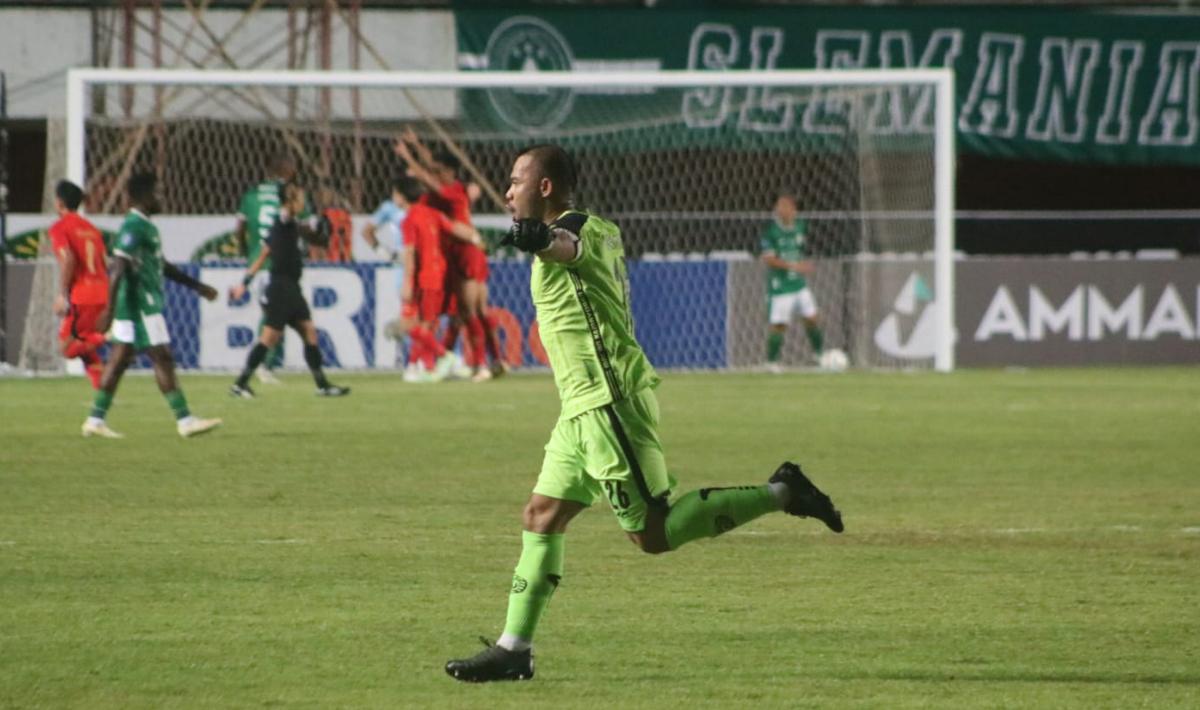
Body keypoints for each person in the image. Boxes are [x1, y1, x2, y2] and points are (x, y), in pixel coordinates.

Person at [444, 146, 844, 683]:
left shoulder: (575, 232)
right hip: (580, 409)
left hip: (608, 404)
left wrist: (539, 239)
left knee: (652, 534)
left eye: (516, 180)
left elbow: (566, 246)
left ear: (544, 187)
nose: (507, 190)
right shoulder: (605, 228)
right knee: (541, 515)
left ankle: (784, 492)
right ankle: (514, 649)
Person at [82, 172, 222, 439]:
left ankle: (95, 419)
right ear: (144, 196)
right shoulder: (134, 227)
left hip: (135, 305)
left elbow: (162, 265)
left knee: (120, 359)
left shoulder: (146, 226)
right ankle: (185, 420)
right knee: (162, 357)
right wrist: (109, 311)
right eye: (157, 192)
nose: (161, 197)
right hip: (139, 306)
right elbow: (119, 266)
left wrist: (197, 287)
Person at [395, 130, 504, 382]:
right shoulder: (442, 193)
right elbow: (431, 168)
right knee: (469, 312)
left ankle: (479, 365)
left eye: (439, 170)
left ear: (448, 172)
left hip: (464, 252)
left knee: (468, 312)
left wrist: (407, 156)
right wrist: (417, 146)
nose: (433, 172)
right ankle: (492, 360)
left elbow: (426, 174)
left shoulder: (452, 192)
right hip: (458, 253)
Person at [228, 183, 350, 399]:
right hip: (281, 288)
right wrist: (243, 284)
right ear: (291, 200)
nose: (303, 202)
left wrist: (325, 232)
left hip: (291, 287)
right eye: (300, 197)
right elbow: (291, 221)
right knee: (268, 338)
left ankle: (322, 385)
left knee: (308, 332)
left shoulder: (288, 226)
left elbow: (264, 253)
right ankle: (240, 384)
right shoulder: (283, 219)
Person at [392, 177, 483, 382]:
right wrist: (474, 236)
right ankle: (419, 366)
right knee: (427, 324)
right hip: (439, 276)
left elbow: (410, 252)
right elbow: (453, 227)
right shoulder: (432, 213)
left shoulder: (409, 219)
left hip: (423, 277)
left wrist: (407, 282)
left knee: (411, 324)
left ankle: (446, 357)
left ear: (400, 196)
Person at [233, 151, 304, 385]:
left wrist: (246, 252)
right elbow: (303, 226)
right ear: (289, 170)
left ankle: (265, 364)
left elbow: (239, 228)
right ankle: (263, 365)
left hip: (258, 261)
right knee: (275, 317)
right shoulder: (291, 196)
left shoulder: (251, 195)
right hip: (279, 264)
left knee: (275, 315)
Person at [48, 180, 108, 389]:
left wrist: (62, 294)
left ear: (59, 202)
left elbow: (69, 260)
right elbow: (104, 262)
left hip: (83, 295)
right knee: (85, 348)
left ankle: (109, 336)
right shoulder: (92, 229)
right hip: (102, 291)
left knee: (67, 348)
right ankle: (102, 393)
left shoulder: (59, 228)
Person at [760, 192, 826, 373]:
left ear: (793, 209)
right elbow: (769, 259)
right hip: (781, 287)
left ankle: (820, 356)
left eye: (784, 206)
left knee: (812, 319)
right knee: (780, 325)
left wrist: (801, 265)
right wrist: (794, 266)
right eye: (778, 206)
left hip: (799, 285)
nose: (780, 209)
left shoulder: (800, 226)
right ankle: (771, 362)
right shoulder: (771, 231)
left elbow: (797, 251)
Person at [309, 187, 353, 263]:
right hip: (332, 259)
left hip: (337, 259)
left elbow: (344, 239)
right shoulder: (321, 216)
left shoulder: (341, 215)